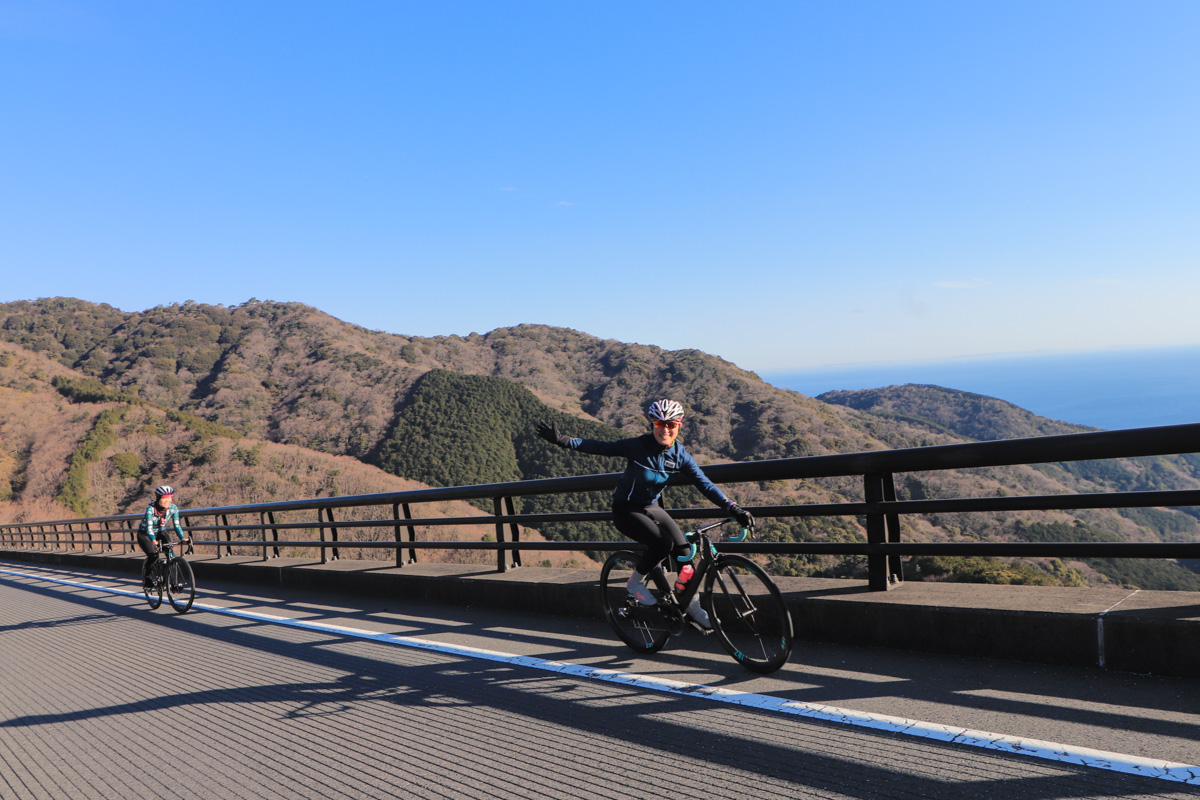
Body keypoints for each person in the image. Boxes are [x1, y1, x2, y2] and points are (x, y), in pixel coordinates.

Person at [537, 399, 753, 629]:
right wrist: (563, 441)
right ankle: (636, 583)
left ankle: (692, 607)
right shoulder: (638, 446)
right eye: (660, 423)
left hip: (651, 507)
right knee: (662, 543)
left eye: (671, 424)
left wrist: (733, 507)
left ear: (679, 426)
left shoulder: (681, 456)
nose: (665, 429)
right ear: (652, 424)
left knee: (685, 552)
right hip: (626, 508)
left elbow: (705, 484)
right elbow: (600, 446)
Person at [137, 485, 190, 588]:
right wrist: (153, 541)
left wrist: (182, 538)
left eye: (169, 497)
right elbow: (149, 527)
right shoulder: (150, 510)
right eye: (164, 498)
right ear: (158, 498)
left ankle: (172, 583)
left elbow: (177, 525)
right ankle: (147, 578)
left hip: (161, 531)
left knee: (171, 556)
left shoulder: (173, 508)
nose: (167, 500)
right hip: (145, 534)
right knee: (153, 555)